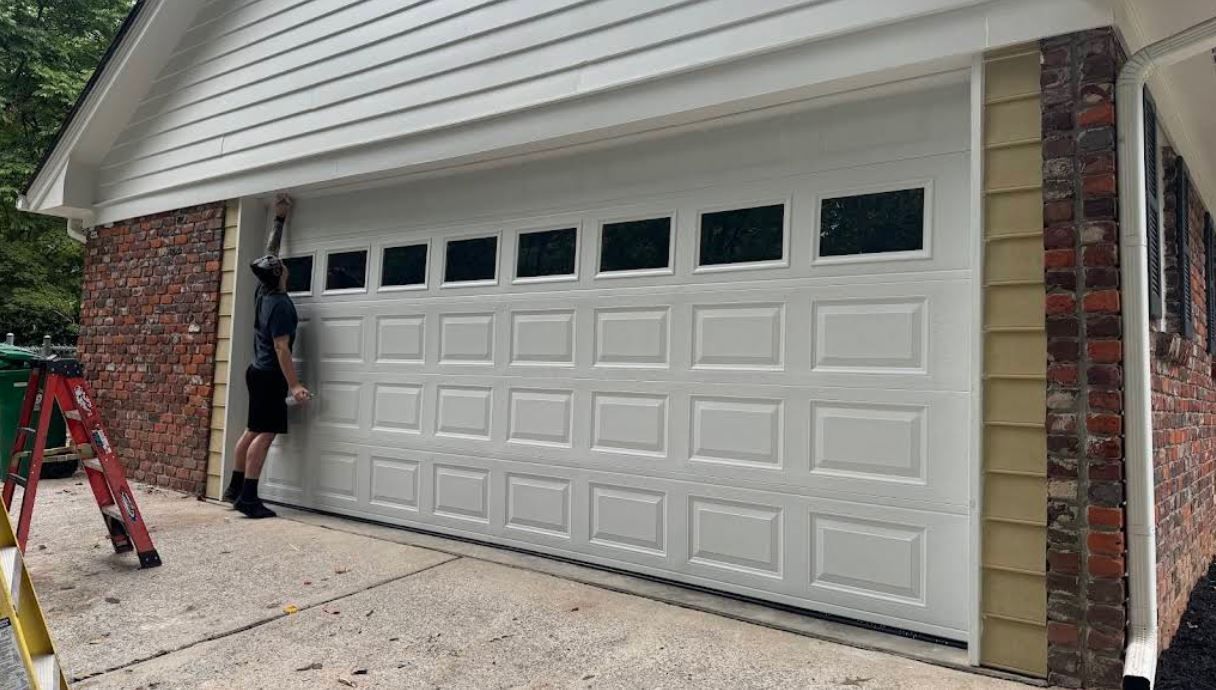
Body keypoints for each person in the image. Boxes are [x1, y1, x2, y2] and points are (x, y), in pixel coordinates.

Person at [223, 195, 311, 518]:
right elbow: (282, 349)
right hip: (271, 375)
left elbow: (271, 252)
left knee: (251, 429)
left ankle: (234, 489)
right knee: (265, 433)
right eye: (281, 266)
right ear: (280, 275)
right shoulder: (282, 306)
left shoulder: (264, 289)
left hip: (255, 372)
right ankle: (248, 497)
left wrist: (280, 219)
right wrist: (295, 385)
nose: (283, 264)